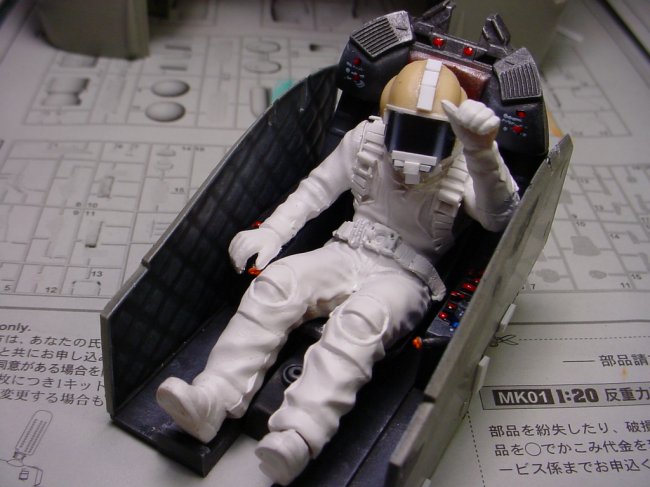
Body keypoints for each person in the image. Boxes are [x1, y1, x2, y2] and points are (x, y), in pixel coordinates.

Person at [156, 59, 519, 485]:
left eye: (432, 134)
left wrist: (482, 151)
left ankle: (298, 436)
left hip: (406, 276)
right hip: (347, 249)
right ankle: (213, 396)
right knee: (277, 284)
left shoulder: (466, 163)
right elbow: (316, 189)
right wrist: (273, 231)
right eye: (406, 129)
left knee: (360, 321)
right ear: (387, 117)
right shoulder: (366, 140)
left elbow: (500, 216)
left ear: (452, 133)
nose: (414, 150)